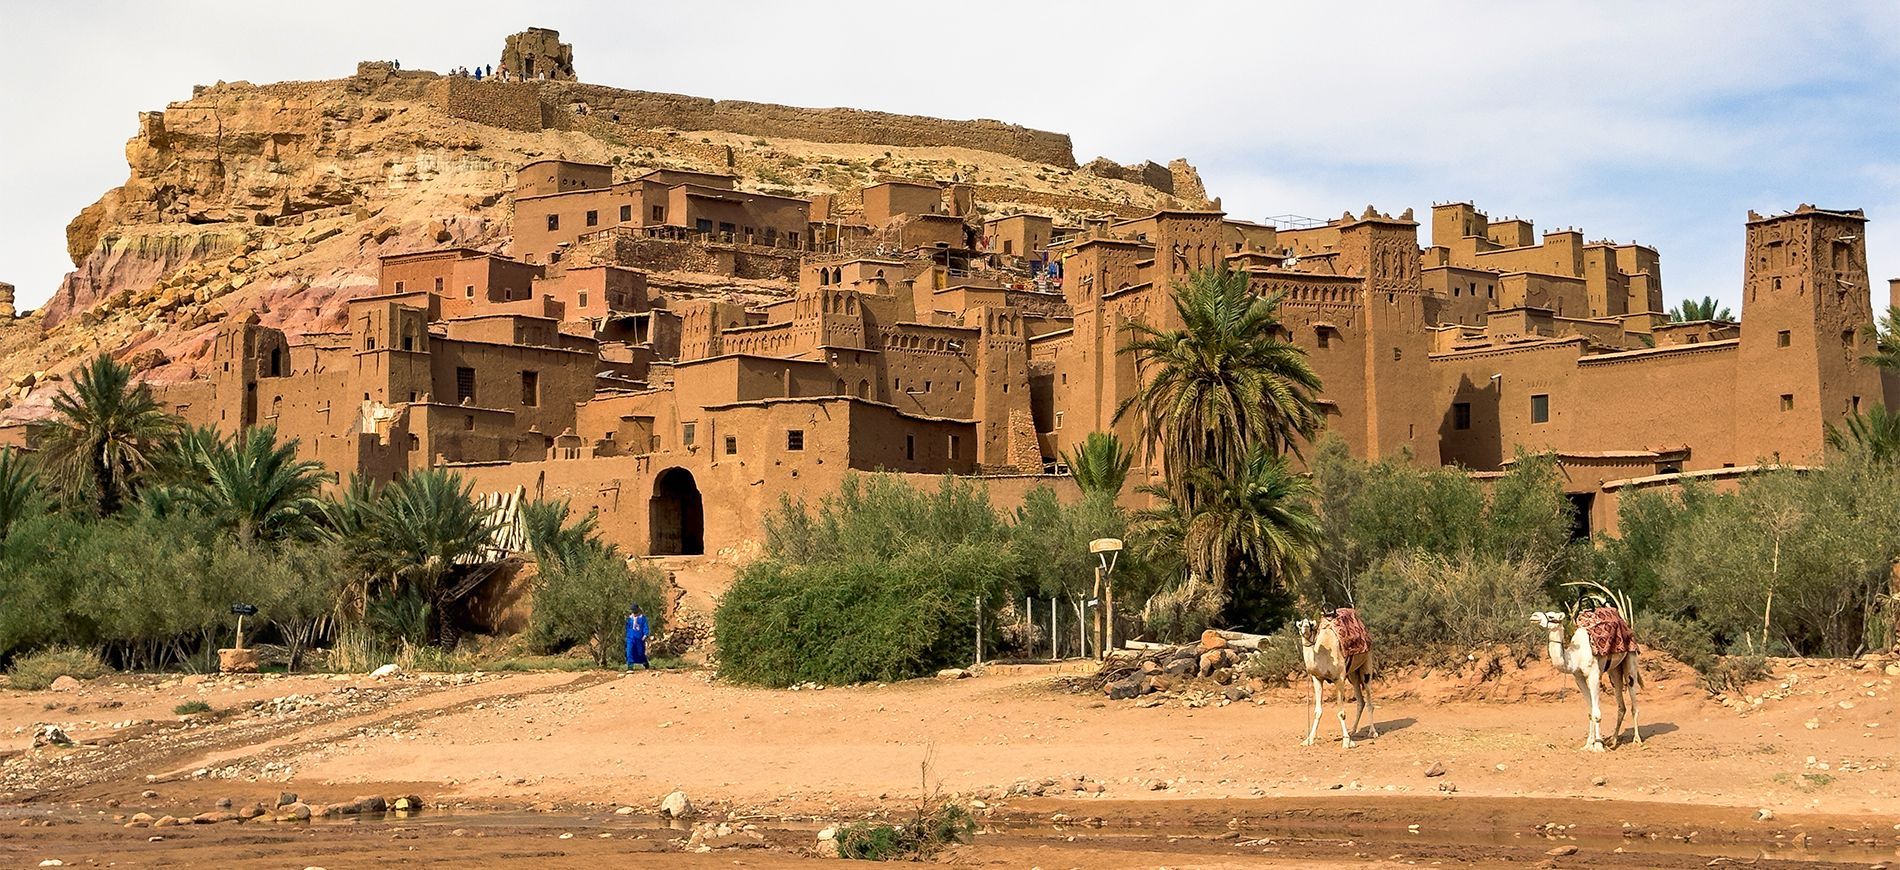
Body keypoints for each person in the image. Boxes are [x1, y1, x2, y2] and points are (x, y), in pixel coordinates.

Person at [624, 604, 650, 669]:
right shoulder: (630, 619)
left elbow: (645, 627)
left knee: (640, 652)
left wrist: (645, 634)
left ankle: (645, 662)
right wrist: (627, 636)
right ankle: (630, 666)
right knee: (629, 651)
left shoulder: (642, 618)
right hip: (631, 638)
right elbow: (627, 628)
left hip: (639, 638)